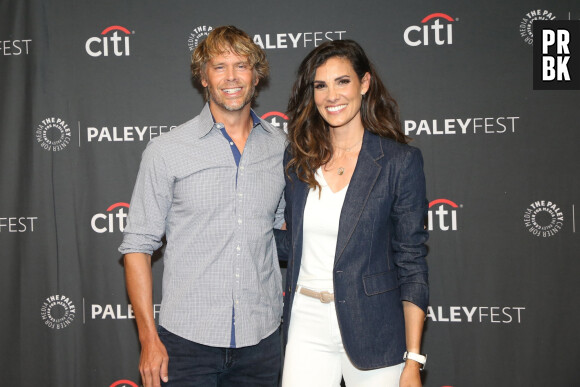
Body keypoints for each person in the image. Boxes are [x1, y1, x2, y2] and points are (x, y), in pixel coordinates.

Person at [119, 25, 287, 387]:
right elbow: (136, 247)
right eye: (219, 66)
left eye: (242, 65)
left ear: (256, 75)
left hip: (262, 341)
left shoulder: (281, 148)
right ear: (203, 77)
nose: (231, 77)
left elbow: (281, 229)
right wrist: (149, 341)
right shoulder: (167, 150)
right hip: (185, 343)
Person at [279, 39, 429, 387]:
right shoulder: (297, 160)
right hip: (306, 324)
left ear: (364, 84)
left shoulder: (398, 162)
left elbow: (411, 261)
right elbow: (290, 241)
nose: (331, 95)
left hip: (375, 327)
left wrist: (414, 358)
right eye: (320, 85)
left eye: (342, 81)